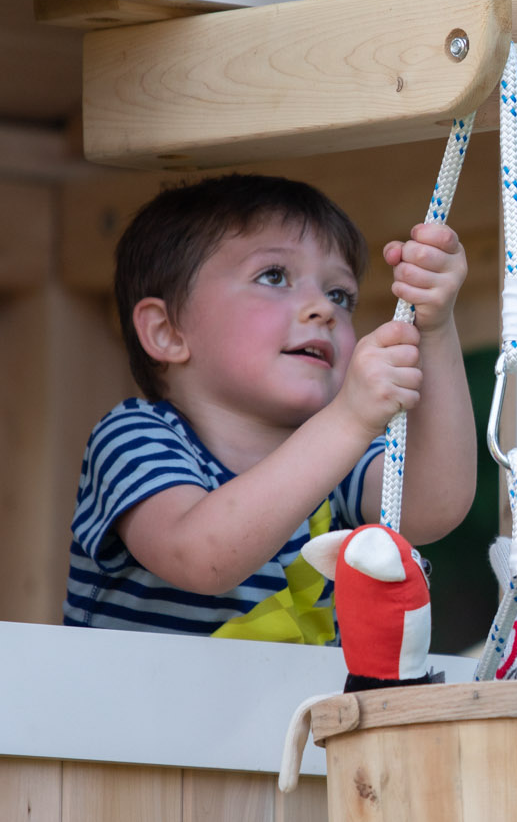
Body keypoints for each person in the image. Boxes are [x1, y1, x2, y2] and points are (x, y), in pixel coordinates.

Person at [63, 174, 476, 637]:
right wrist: (349, 417)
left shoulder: (341, 453)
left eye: (339, 295)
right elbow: (202, 558)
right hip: (140, 688)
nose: (323, 309)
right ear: (168, 331)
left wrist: (435, 326)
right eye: (274, 276)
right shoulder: (133, 436)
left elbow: (436, 503)